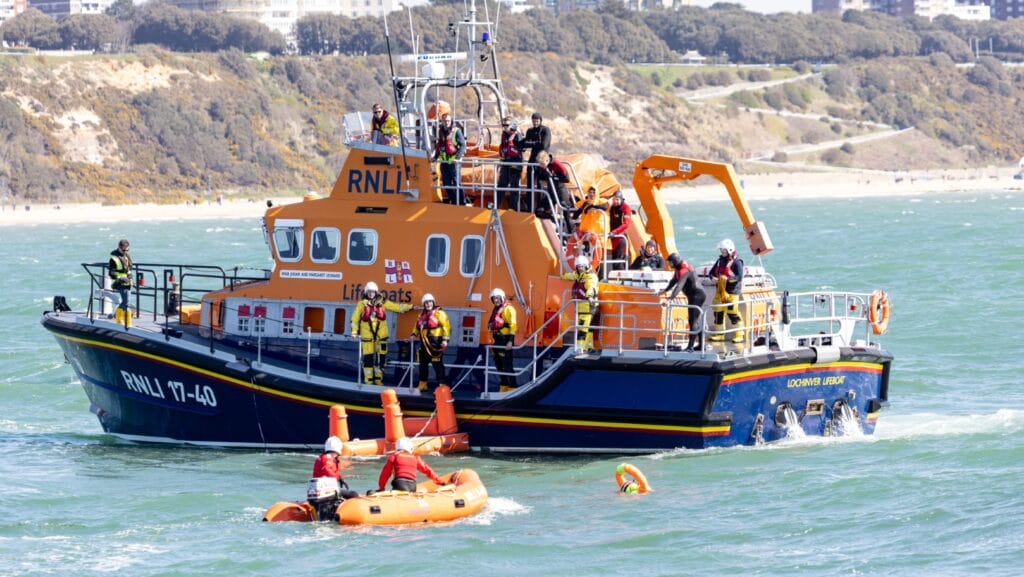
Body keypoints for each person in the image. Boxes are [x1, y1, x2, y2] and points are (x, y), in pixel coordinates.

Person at [351, 281, 414, 385]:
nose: (371, 294)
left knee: (380, 360)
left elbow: (397, 307)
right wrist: (354, 332)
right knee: (368, 359)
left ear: (376, 292)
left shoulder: (383, 302)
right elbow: (355, 319)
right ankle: (368, 380)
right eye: (369, 292)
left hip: (381, 337)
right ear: (366, 292)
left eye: (373, 292)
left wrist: (410, 307)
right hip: (368, 337)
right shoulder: (361, 304)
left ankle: (378, 380)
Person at [661, 253, 706, 351]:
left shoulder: (684, 270)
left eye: (670, 262)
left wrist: (670, 299)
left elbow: (679, 286)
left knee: (693, 321)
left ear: (675, 261)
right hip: (693, 295)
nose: (669, 264)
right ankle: (701, 345)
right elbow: (673, 281)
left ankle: (690, 346)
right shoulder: (678, 268)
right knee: (696, 320)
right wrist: (664, 291)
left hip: (697, 295)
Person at [708, 239, 745, 343]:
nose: (722, 252)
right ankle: (720, 335)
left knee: (732, 313)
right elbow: (711, 273)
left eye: (723, 250)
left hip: (732, 292)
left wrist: (726, 280)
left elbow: (739, 277)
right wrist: (712, 278)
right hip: (720, 292)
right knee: (718, 313)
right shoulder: (719, 261)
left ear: (729, 249)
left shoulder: (737, 262)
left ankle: (739, 335)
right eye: (721, 250)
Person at [411, 293, 450, 392]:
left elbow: (446, 327)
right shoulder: (421, 315)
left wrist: (445, 340)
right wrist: (413, 335)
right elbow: (416, 327)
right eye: (426, 303)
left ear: (433, 302)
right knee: (422, 365)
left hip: (435, 344)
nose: (428, 304)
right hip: (424, 344)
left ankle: (442, 387)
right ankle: (422, 384)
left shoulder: (440, 313)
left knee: (438, 366)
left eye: (429, 302)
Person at [377, 436, 443, 493]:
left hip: (399, 484)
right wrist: (440, 482)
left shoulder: (394, 456)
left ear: (397, 447)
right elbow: (427, 470)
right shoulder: (415, 458)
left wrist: (381, 488)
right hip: (412, 486)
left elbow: (385, 474)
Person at [561, 255, 599, 352]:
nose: (580, 269)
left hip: (588, 306)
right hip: (583, 306)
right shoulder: (579, 274)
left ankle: (579, 348)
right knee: (588, 328)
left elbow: (591, 287)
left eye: (581, 266)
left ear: (586, 266)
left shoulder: (590, 276)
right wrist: (563, 276)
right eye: (578, 267)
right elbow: (572, 275)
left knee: (583, 328)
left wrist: (589, 296)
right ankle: (588, 347)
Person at [535, 151, 575, 234]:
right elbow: (541, 177)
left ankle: (572, 236)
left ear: (547, 160)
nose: (541, 166)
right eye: (540, 164)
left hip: (561, 191)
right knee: (539, 211)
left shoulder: (556, 164)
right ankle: (554, 221)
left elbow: (567, 179)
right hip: (551, 192)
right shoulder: (542, 166)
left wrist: (554, 176)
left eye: (542, 164)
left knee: (566, 215)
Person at [488, 287, 518, 392]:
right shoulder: (495, 309)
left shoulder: (509, 309)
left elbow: (513, 326)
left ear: (502, 298)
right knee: (499, 365)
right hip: (497, 340)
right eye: (494, 298)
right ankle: (503, 386)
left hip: (506, 341)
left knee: (507, 366)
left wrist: (510, 341)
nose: (495, 300)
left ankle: (513, 387)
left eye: (497, 298)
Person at [433, 113, 466, 205]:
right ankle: (455, 202)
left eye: (448, 120)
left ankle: (462, 203)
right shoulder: (441, 132)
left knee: (457, 184)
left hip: (454, 162)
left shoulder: (456, 131)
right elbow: (439, 146)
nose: (446, 122)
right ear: (442, 121)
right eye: (444, 121)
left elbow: (463, 145)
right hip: (444, 162)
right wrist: (435, 157)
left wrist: (457, 158)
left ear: (451, 121)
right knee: (446, 184)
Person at [496, 116, 524, 211]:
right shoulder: (504, 135)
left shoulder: (517, 135)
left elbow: (522, 148)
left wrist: (516, 143)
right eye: (503, 125)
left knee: (514, 185)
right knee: (501, 185)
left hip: (515, 162)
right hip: (506, 162)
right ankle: (495, 206)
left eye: (507, 125)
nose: (505, 127)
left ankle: (513, 208)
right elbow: (503, 148)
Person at [522, 111, 550, 190]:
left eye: (537, 121)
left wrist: (532, 143)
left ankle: (541, 202)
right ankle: (529, 202)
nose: (535, 123)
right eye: (534, 121)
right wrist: (535, 143)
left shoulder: (545, 130)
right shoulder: (530, 131)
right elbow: (525, 144)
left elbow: (544, 145)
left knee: (540, 184)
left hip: (542, 160)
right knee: (529, 184)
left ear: (540, 121)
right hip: (533, 159)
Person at [108, 238, 133, 326]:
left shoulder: (127, 256)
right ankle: (118, 318)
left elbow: (128, 269)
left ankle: (121, 317)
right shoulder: (114, 259)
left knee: (127, 301)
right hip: (119, 282)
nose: (125, 252)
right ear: (119, 248)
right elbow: (111, 273)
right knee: (126, 301)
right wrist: (120, 278)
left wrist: (129, 275)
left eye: (127, 250)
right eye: (124, 250)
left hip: (128, 282)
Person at [607, 190, 633, 272]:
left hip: (620, 237)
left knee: (617, 259)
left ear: (621, 199)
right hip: (612, 236)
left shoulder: (626, 208)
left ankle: (620, 277)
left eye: (617, 199)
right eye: (614, 199)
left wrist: (615, 232)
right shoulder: (612, 207)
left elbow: (626, 224)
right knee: (614, 258)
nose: (615, 201)